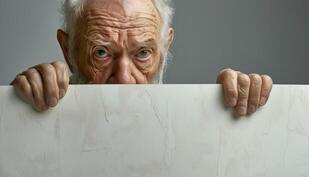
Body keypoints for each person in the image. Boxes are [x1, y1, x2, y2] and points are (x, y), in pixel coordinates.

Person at [11, 0, 273, 116]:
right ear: (68, 50)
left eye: (143, 53)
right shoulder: (33, 110)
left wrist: (237, 104)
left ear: (164, 48)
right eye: (101, 52)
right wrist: (16, 113)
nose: (125, 80)